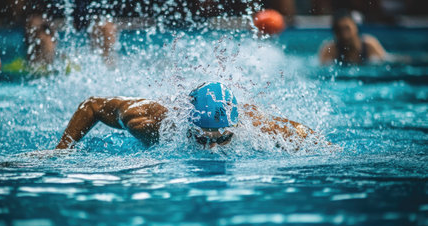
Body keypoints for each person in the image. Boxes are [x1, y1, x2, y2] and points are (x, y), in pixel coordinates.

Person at [56, 82, 327, 151]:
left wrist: (325, 148)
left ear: (235, 126)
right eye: (200, 140)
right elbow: (92, 106)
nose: (211, 150)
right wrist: (61, 150)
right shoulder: (149, 122)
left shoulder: (255, 125)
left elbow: (304, 134)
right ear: (187, 124)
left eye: (222, 140)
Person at [319, 10, 387, 65]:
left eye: (347, 28)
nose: (344, 34)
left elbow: (384, 62)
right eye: (339, 30)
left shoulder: (369, 45)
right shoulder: (330, 50)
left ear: (355, 27)